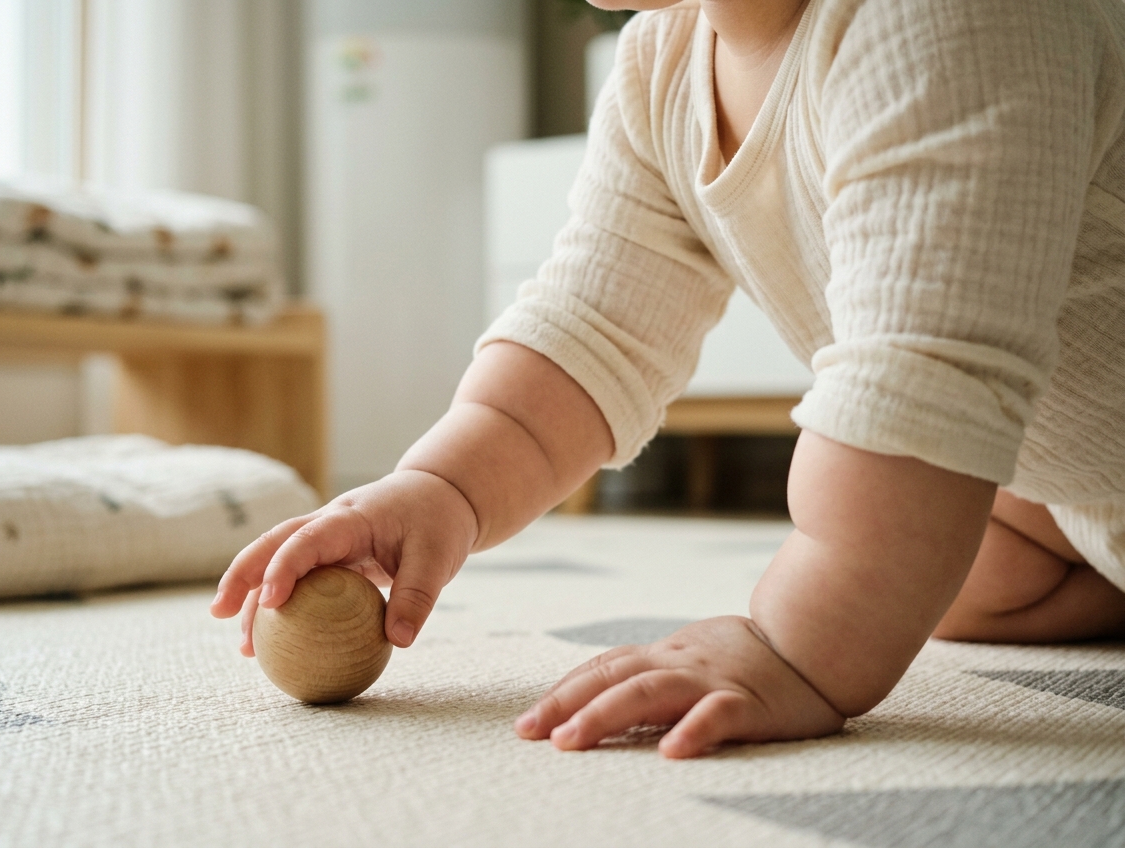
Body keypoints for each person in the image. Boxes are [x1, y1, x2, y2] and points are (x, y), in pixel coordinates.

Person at [211, 0, 1125, 758]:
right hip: (1071, 480)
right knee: (942, 566)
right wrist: (439, 489)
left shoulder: (954, 20)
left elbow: (921, 384)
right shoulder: (663, 60)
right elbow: (588, 331)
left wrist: (792, 651)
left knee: (887, 538)